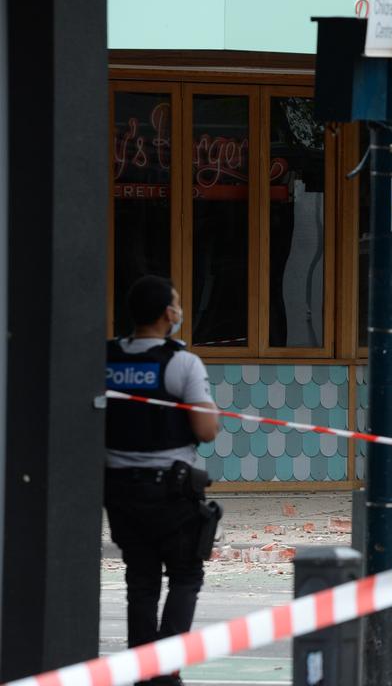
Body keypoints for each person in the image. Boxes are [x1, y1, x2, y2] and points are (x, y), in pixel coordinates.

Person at [104, 276, 220, 686]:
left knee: (141, 578)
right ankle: (163, 673)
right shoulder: (181, 362)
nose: (179, 311)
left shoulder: (108, 357)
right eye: (176, 304)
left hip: (118, 490)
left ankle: (141, 671)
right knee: (186, 575)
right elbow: (206, 430)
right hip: (170, 491)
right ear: (165, 314)